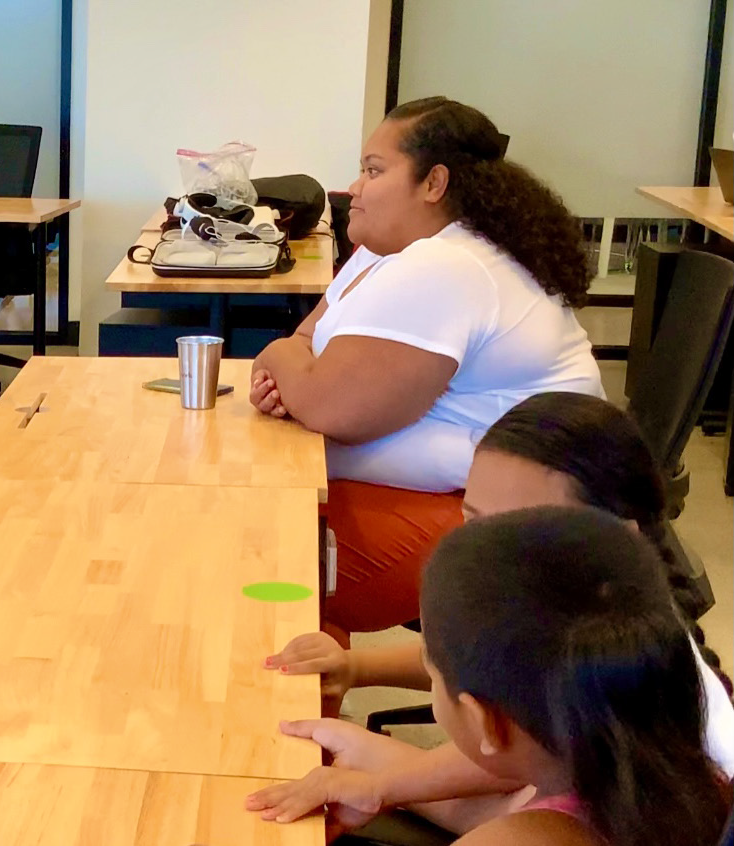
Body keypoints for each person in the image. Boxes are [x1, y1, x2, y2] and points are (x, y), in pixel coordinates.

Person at [251, 393, 734, 835]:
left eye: (519, 531)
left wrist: (383, 776)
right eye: (475, 522)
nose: (485, 553)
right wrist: (361, 690)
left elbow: (512, 761)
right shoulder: (607, 651)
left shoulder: (677, 719)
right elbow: (515, 751)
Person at [249, 97, 603, 643]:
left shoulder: (447, 265)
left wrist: (279, 364)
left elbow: (326, 404)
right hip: (440, 489)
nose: (353, 188)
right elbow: (307, 341)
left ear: (433, 183)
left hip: (507, 519)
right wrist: (297, 370)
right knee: (258, 528)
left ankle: (292, 712)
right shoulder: (384, 251)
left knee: (266, 568)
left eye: (373, 170)